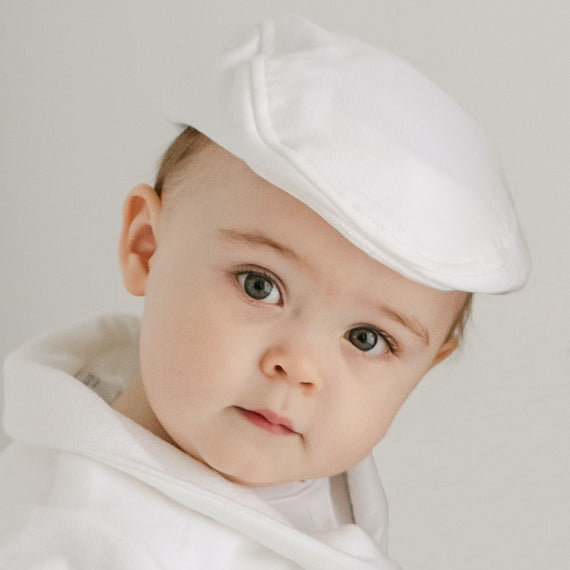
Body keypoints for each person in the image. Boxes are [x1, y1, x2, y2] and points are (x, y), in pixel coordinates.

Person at [0, 15, 529, 570]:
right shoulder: (68, 538)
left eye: (367, 339)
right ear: (148, 247)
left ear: (426, 365)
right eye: (260, 286)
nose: (300, 367)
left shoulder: (304, 464)